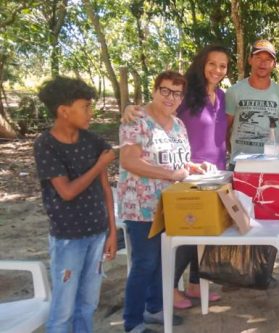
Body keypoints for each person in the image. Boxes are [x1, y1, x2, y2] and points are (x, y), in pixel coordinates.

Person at [122, 45, 229, 309]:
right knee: (179, 239)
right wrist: (129, 108)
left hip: (206, 170)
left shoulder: (222, 96)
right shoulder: (186, 93)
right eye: (212, 63)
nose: (217, 70)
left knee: (202, 235)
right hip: (173, 180)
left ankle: (193, 285)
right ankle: (163, 295)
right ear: (202, 63)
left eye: (223, 65)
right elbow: (156, 113)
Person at [119, 71, 211, 333]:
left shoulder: (179, 124)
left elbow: (177, 161)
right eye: (165, 90)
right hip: (142, 205)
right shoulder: (137, 119)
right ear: (155, 90)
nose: (171, 97)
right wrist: (172, 174)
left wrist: (193, 167)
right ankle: (133, 322)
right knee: (145, 262)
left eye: (177, 93)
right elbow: (129, 160)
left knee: (164, 261)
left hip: (171, 204)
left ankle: (155, 308)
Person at [33, 76, 117, 333]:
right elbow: (66, 192)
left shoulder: (93, 141)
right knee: (63, 309)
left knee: (88, 304)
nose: (90, 112)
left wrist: (112, 231)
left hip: (97, 234)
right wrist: (99, 165)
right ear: (64, 110)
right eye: (86, 106)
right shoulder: (46, 145)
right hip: (68, 238)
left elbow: (105, 189)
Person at [227, 39, 279, 163]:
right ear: (250, 59)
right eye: (258, 58)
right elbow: (224, 130)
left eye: (268, 60)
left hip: (271, 165)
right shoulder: (233, 92)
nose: (263, 63)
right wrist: (233, 153)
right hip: (239, 165)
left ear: (274, 64)